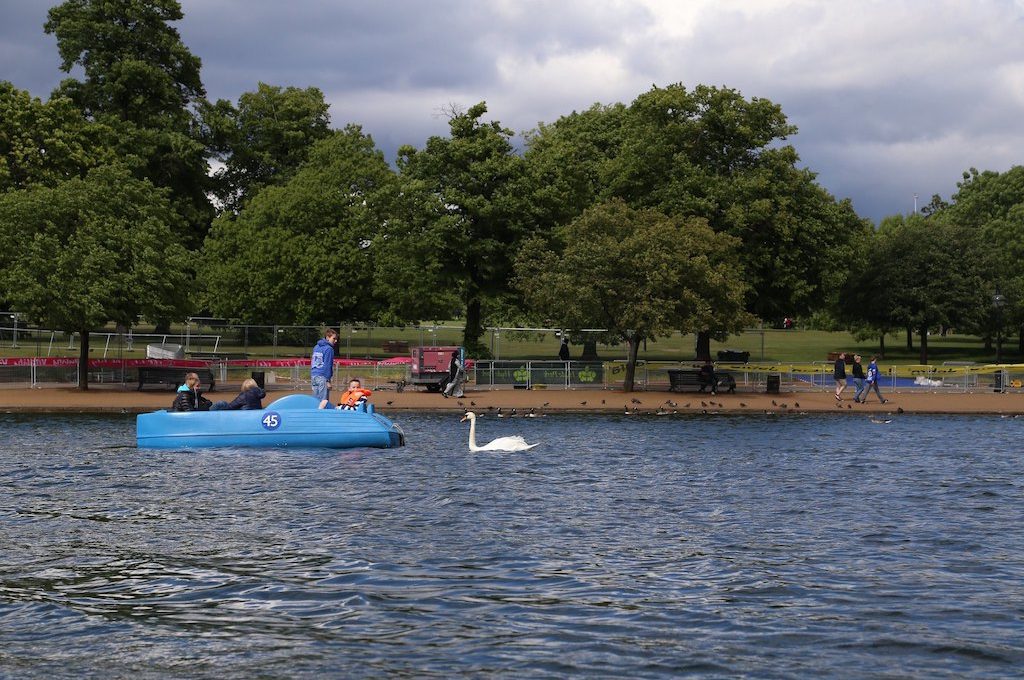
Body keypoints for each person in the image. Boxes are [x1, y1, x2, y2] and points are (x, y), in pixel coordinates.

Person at [310, 329, 338, 403]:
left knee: (315, 401)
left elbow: (313, 361)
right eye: (334, 338)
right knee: (323, 401)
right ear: (327, 337)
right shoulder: (329, 349)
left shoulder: (316, 347)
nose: (335, 341)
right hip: (322, 376)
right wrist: (327, 380)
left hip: (314, 375)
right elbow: (328, 365)